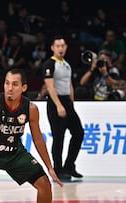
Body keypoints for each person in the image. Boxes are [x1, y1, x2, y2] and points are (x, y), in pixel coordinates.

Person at [0, 68, 63, 203]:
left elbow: (38, 140)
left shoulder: (31, 109)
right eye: (7, 83)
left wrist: (49, 167)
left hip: (15, 153)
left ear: (24, 87)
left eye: (15, 84)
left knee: (45, 184)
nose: (10, 88)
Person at [42, 35, 85, 180]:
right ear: (52, 48)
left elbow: (69, 84)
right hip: (55, 103)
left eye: (62, 46)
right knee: (58, 137)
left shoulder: (67, 64)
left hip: (67, 101)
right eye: (57, 46)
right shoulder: (49, 64)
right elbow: (49, 86)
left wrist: (71, 103)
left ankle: (69, 165)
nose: (60, 48)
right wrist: (59, 105)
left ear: (66, 48)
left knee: (79, 133)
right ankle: (58, 169)